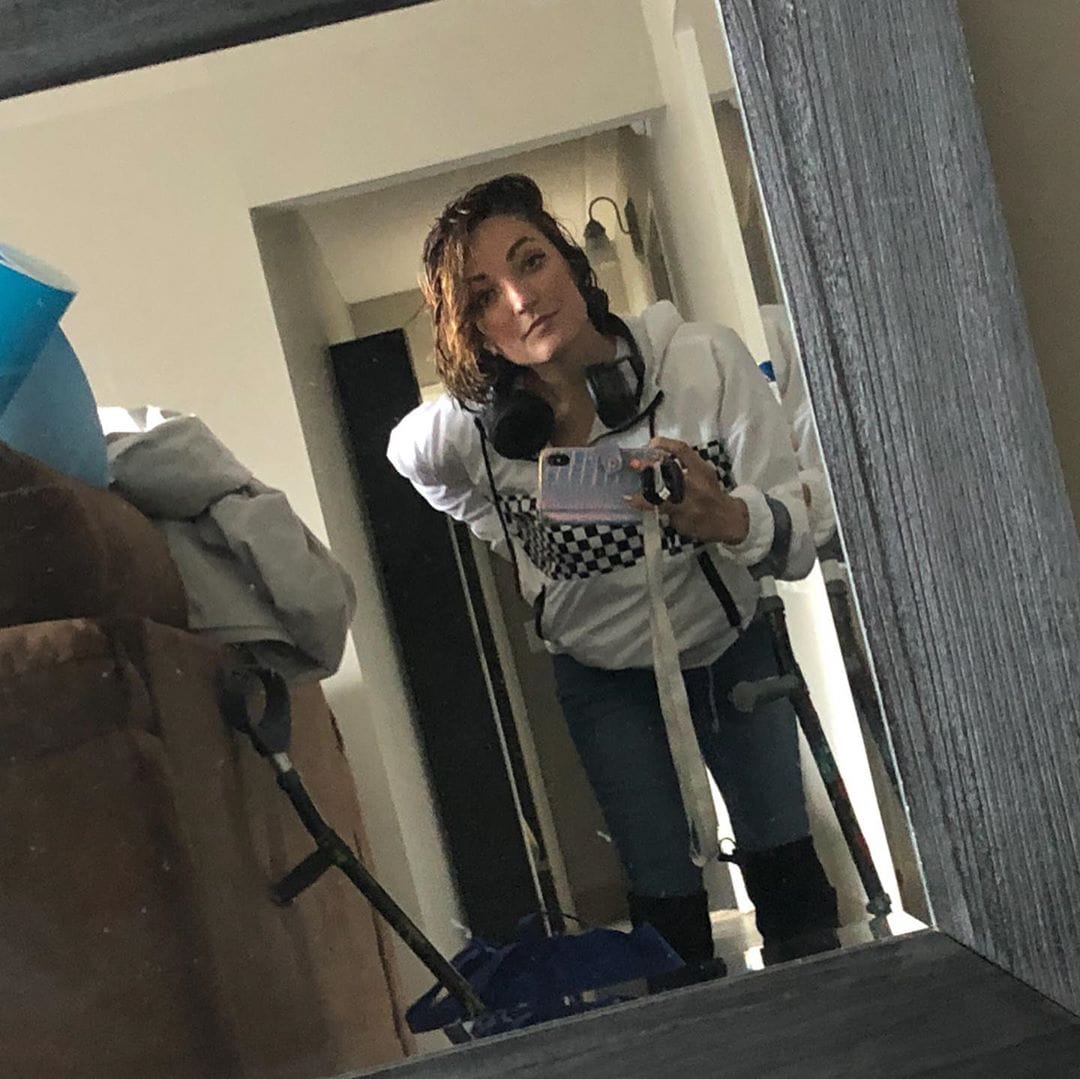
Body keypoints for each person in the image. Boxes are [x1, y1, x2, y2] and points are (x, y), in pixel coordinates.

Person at [387, 174, 840, 984]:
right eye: (485, 297)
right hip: (602, 682)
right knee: (665, 910)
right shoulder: (475, 435)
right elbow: (408, 458)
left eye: (531, 261)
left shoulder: (703, 362)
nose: (522, 299)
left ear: (569, 261)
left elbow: (799, 541)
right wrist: (516, 540)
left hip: (732, 649)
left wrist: (726, 517)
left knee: (790, 874)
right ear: (475, 331)